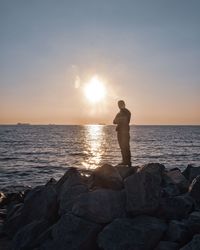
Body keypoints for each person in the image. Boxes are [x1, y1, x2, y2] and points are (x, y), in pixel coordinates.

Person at [113, 100, 131, 166]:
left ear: (124, 104)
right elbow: (114, 121)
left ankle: (128, 162)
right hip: (119, 132)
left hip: (125, 132)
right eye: (118, 104)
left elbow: (125, 120)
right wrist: (119, 120)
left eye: (120, 104)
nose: (119, 106)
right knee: (122, 147)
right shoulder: (119, 113)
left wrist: (119, 120)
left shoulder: (127, 112)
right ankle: (124, 161)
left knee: (126, 147)